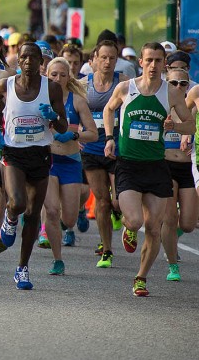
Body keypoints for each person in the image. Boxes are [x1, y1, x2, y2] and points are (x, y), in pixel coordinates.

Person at [102, 43, 194, 297]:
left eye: (158, 60)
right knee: (135, 220)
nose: (153, 65)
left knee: (154, 227)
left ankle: (141, 277)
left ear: (165, 64)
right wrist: (109, 137)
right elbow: (108, 109)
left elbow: (190, 126)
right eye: (149, 60)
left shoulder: (172, 94)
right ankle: (129, 229)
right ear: (140, 62)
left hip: (156, 166)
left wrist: (173, 125)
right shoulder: (125, 88)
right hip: (129, 164)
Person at [0, 42, 68, 291]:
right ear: (18, 61)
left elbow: (64, 126)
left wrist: (53, 117)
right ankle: (10, 219)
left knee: (33, 213)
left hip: (41, 154)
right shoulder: (6, 85)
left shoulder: (51, 88)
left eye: (34, 57)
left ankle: (22, 268)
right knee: (18, 202)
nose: (29, 62)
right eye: (24, 57)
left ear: (41, 62)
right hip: (13, 152)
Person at [40, 57, 97, 275]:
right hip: (49, 161)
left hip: (71, 161)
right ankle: (57, 259)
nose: (58, 78)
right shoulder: (40, 99)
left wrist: (73, 134)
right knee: (52, 211)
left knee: (68, 218)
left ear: (69, 77)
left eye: (63, 75)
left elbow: (92, 133)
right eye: (54, 74)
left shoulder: (77, 101)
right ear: (47, 75)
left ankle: (69, 222)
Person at [81, 40, 122, 269]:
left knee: (118, 202)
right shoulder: (82, 84)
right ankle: (107, 250)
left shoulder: (123, 83)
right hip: (91, 149)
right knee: (103, 202)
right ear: (94, 59)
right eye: (103, 57)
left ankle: (121, 216)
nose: (107, 62)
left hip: (116, 148)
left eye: (111, 58)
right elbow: (71, 108)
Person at [161, 66, 197, 282]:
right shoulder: (161, 105)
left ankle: (172, 237)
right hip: (165, 165)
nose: (178, 87)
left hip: (187, 167)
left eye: (183, 83)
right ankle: (173, 264)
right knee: (169, 218)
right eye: (173, 83)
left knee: (188, 224)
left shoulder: (189, 107)